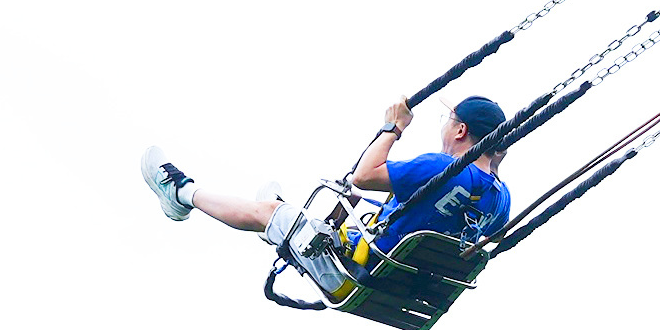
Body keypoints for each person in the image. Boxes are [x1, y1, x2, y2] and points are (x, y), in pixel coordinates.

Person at [140, 93, 514, 260]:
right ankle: (280, 213)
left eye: (447, 122)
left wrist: (393, 128)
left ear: (461, 131)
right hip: (410, 275)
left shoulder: (439, 168)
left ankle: (181, 193)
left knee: (265, 215)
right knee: (289, 214)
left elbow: (363, 176)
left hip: (363, 260)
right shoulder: (501, 200)